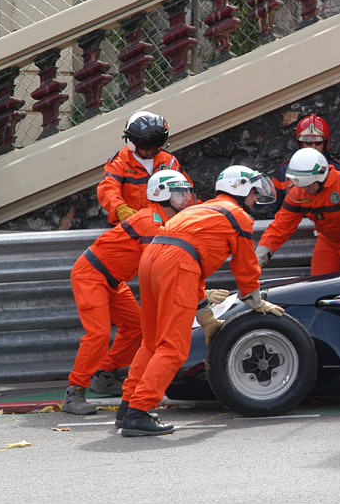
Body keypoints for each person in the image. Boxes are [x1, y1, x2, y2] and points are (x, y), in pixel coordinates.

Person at [118, 165, 285, 437]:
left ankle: (127, 406)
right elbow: (245, 265)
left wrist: (206, 318)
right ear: (240, 188)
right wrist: (255, 299)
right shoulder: (238, 216)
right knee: (173, 347)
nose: (255, 199)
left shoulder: (202, 210)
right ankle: (139, 411)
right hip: (176, 263)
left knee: (151, 342)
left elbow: (190, 267)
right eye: (253, 193)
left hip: (152, 259)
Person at [62, 170, 195, 415]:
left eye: (186, 193)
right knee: (98, 335)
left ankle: (105, 375)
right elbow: (158, 266)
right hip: (92, 275)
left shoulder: (161, 220)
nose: (186, 199)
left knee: (137, 326)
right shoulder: (152, 222)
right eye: (179, 194)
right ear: (162, 196)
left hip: (112, 280)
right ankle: (74, 392)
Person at [257, 148, 340, 275]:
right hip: (329, 239)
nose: (305, 190)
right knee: (318, 284)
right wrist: (258, 258)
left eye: (308, 186)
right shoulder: (298, 191)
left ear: (320, 177)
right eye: (301, 186)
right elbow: (280, 227)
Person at [97, 111, 193, 225]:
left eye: (157, 144)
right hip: (134, 228)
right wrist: (119, 208)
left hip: (167, 226)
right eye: (147, 146)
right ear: (133, 143)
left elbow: (188, 192)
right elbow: (108, 188)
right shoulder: (119, 163)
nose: (152, 150)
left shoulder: (169, 161)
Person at [270, 113, 340, 209]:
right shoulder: (283, 172)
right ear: (300, 143)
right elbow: (274, 209)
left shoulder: (339, 171)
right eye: (308, 142)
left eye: (318, 142)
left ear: (325, 143)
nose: (313, 147)